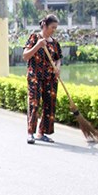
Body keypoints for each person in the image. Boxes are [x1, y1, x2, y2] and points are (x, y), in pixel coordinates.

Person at [22, 14, 63, 145]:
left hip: (50, 78)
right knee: (34, 103)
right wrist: (38, 46)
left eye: (56, 28)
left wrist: (57, 68)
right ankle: (30, 133)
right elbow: (25, 56)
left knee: (49, 105)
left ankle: (42, 133)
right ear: (44, 26)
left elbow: (58, 58)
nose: (54, 30)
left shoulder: (55, 43)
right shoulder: (35, 38)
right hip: (35, 76)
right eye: (52, 27)